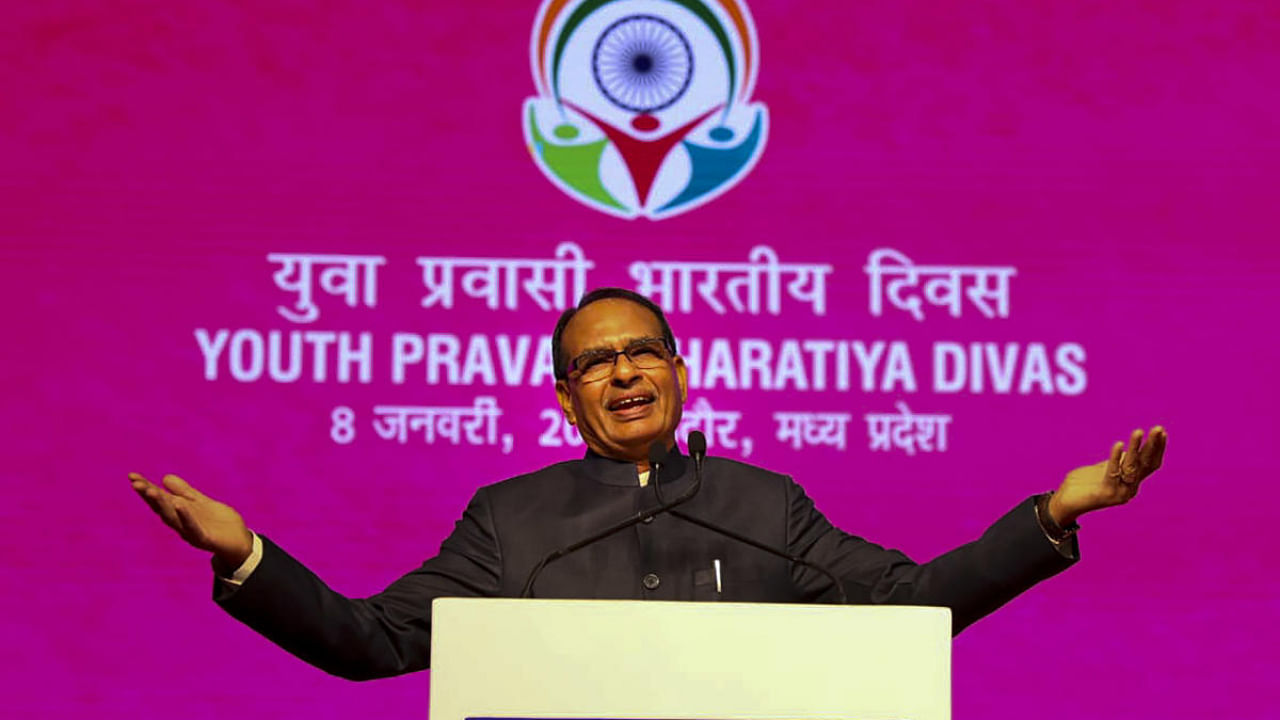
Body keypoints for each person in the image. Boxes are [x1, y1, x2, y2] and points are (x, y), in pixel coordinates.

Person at [130, 287, 1167, 681]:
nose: (622, 373)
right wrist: (245, 557)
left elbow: (907, 613)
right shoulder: (510, 518)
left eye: (642, 354)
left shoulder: (765, 505)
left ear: (678, 373)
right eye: (594, 363)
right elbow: (373, 644)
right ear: (564, 397)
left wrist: (1049, 517)